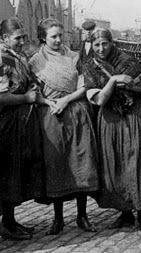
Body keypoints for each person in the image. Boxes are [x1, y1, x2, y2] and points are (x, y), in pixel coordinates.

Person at [29, 18, 99, 235]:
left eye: (61, 35)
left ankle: (82, 216)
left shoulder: (74, 57)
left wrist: (66, 100)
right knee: (57, 164)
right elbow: (34, 90)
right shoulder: (35, 61)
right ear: (43, 38)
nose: (59, 40)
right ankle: (58, 218)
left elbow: (84, 85)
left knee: (81, 162)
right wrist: (48, 102)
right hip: (52, 116)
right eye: (53, 36)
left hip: (77, 113)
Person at [82, 28, 141, 230]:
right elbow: (100, 99)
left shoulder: (130, 61)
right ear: (92, 46)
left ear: (112, 42)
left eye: (105, 43)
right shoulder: (90, 67)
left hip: (133, 116)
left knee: (138, 161)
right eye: (97, 45)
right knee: (117, 163)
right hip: (110, 118)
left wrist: (132, 86)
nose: (101, 48)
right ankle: (125, 213)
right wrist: (114, 80)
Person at [0, 17, 48, 240]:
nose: (21, 42)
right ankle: (7, 225)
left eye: (23, 37)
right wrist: (27, 97)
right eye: (17, 38)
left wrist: (33, 86)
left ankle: (9, 222)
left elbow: (27, 80)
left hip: (19, 123)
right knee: (7, 172)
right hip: (5, 124)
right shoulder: (2, 59)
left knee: (15, 173)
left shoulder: (19, 57)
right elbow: (2, 98)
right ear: (4, 38)